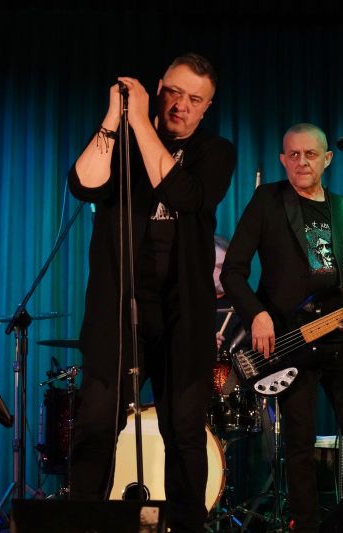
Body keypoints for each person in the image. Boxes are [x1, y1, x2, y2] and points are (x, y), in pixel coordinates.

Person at [67, 53, 236, 532]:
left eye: (195, 99)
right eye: (174, 93)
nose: (182, 105)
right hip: (117, 312)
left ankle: (187, 527)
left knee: (184, 431)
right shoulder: (121, 143)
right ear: (159, 88)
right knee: (96, 423)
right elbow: (83, 185)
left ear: (208, 106)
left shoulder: (215, 152)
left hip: (183, 316)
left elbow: (184, 195)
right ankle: (83, 524)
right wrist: (113, 118)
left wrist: (140, 121)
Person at [220, 123, 343, 532]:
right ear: (283, 160)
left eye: (310, 154)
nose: (301, 162)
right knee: (299, 443)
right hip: (291, 340)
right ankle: (306, 526)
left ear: (327, 159)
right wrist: (256, 314)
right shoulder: (267, 201)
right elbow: (233, 271)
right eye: (293, 154)